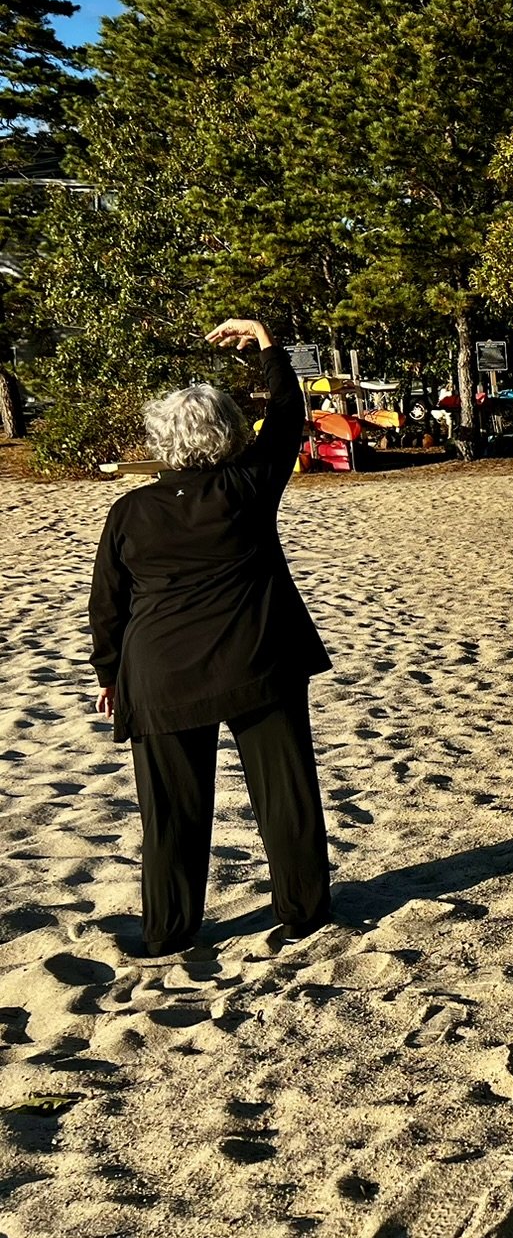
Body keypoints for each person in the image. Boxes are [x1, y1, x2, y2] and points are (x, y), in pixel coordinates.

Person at [88, 318, 335, 957]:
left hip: (162, 675)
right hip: (258, 662)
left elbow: (108, 605)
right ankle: (304, 913)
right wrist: (267, 347)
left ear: (162, 442)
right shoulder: (246, 487)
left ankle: (168, 931)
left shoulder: (132, 511)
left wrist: (110, 675)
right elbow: (287, 418)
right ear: (228, 434)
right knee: (287, 796)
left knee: (170, 813)